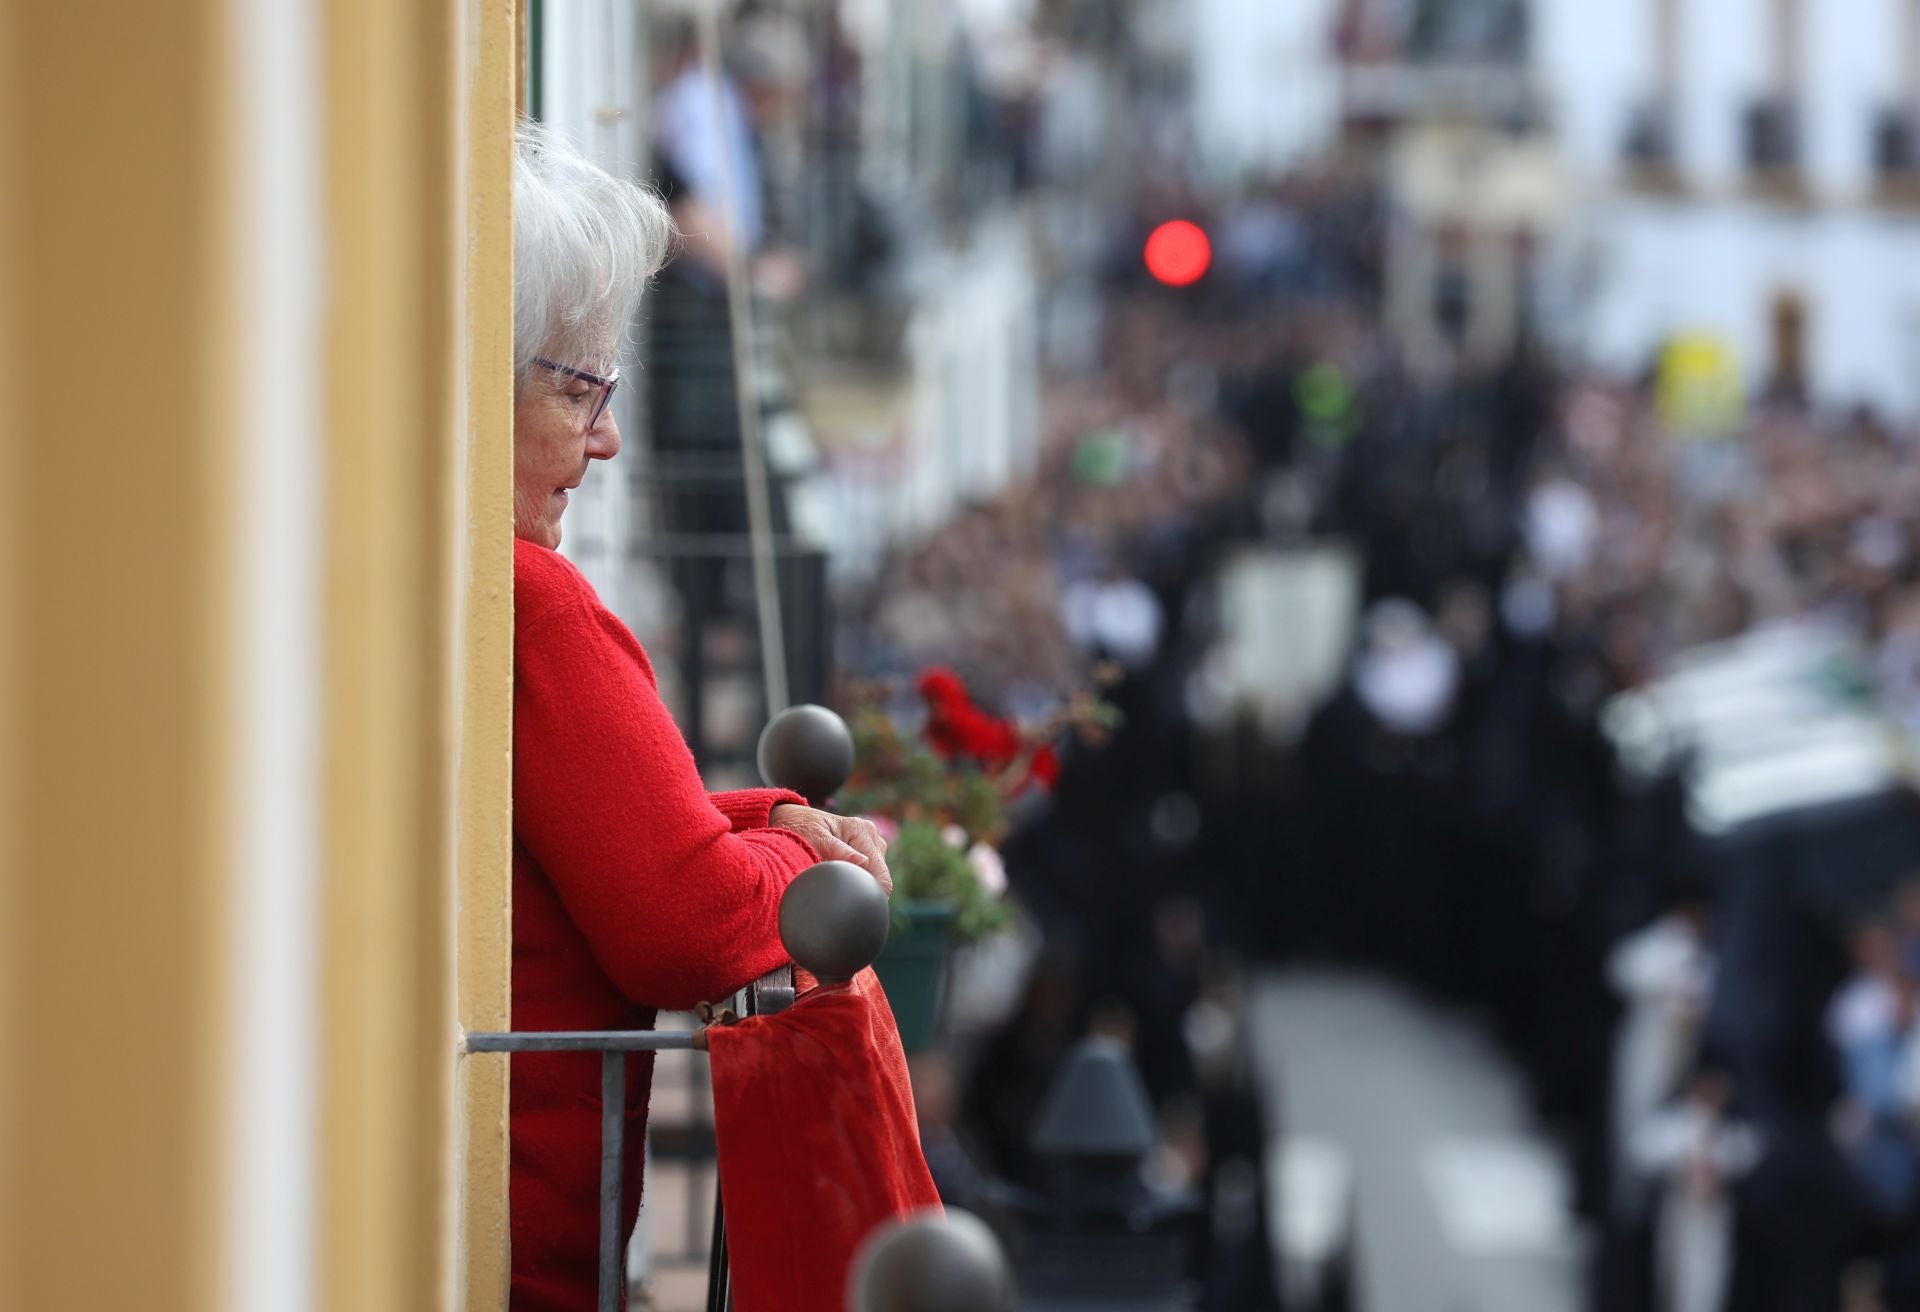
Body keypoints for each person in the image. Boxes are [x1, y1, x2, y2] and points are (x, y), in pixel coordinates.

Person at [507, 121, 890, 1311]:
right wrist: (795, 855)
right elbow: (682, 925)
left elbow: (562, 832)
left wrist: (760, 813)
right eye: (581, 388)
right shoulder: (528, 601)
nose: (608, 438)